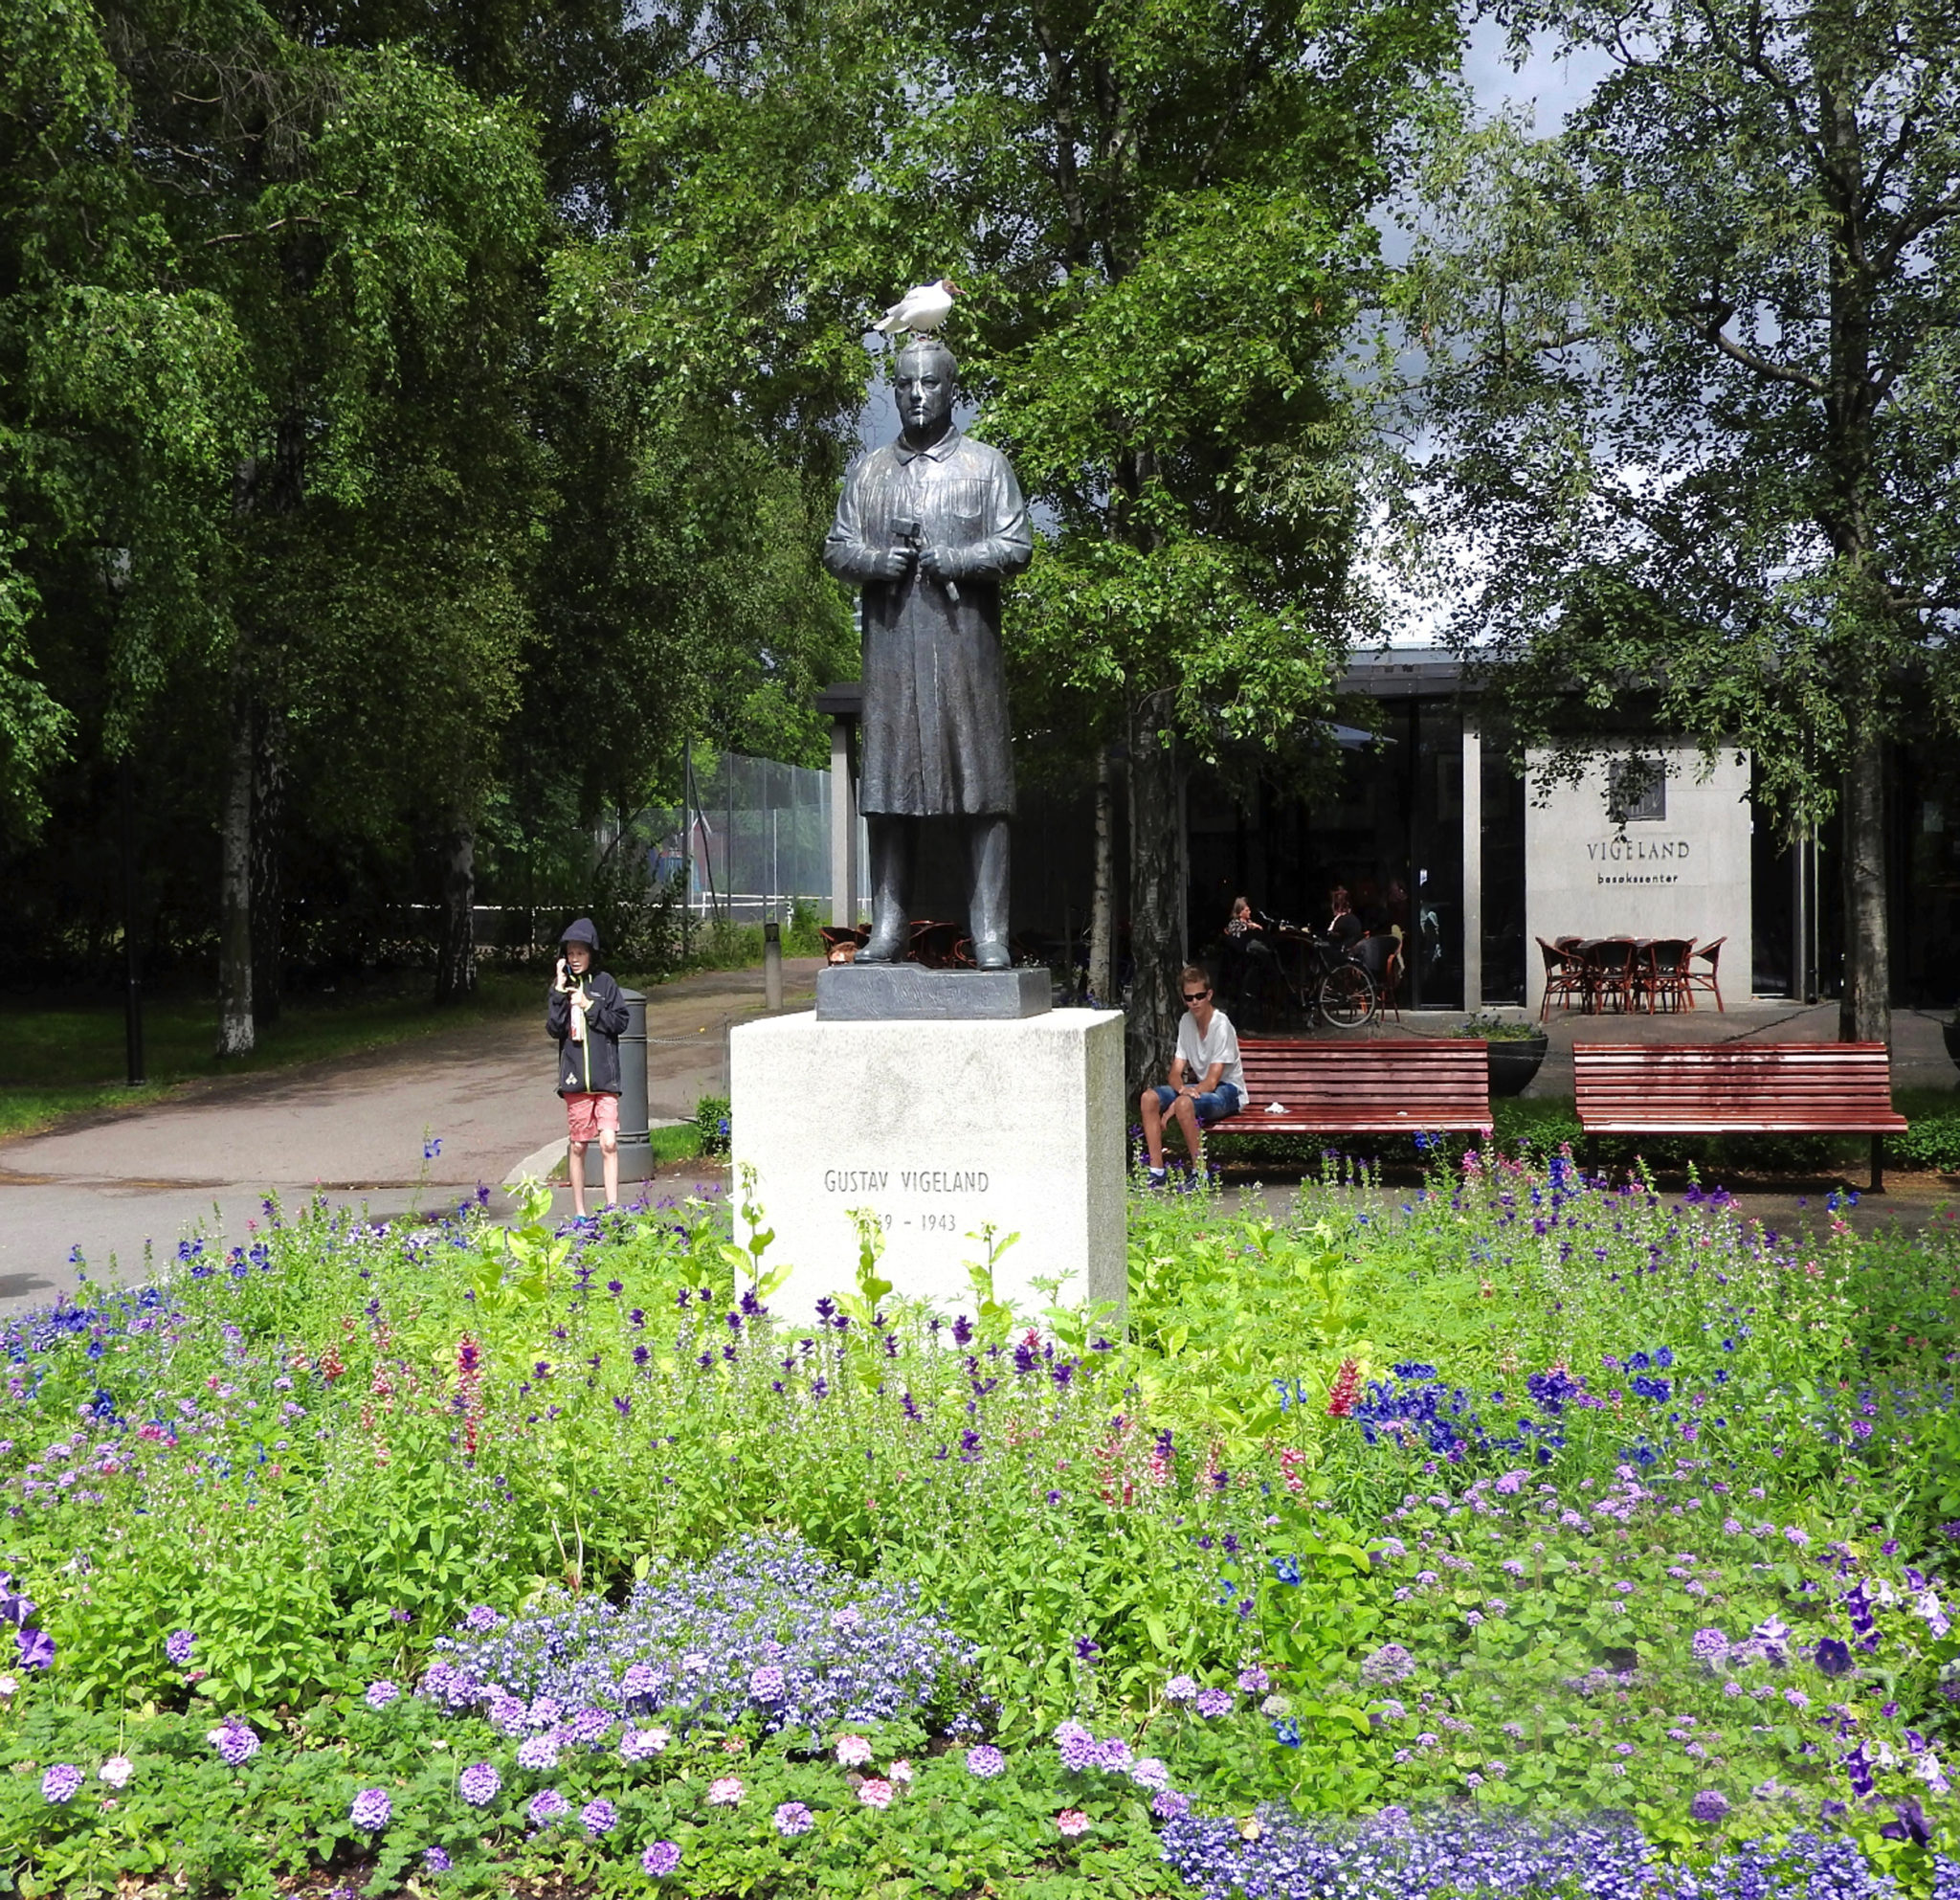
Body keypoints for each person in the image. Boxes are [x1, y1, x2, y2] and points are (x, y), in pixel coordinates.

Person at [821, 336, 1033, 968]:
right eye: (906, 384)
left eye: (930, 383)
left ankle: (989, 930)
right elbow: (836, 547)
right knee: (887, 794)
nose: (917, 395)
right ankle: (888, 926)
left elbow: (1017, 545)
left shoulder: (986, 467)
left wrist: (961, 559)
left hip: (965, 657)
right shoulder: (869, 472)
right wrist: (875, 562)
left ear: (951, 388)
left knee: (983, 793)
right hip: (891, 658)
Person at [546, 918, 629, 1218]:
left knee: (608, 1142)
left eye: (580, 953)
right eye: (570, 953)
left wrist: (589, 1005)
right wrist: (559, 991)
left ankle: (613, 1209)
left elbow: (620, 1022)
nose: (575, 959)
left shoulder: (606, 984)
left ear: (591, 953)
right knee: (578, 1146)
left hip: (606, 1080)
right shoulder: (561, 988)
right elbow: (554, 1029)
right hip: (575, 1081)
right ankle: (580, 1213)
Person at [1138, 965, 1245, 1187]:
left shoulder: (1221, 1025)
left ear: (1209, 995)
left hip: (1229, 1091)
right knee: (1149, 1098)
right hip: (1200, 1088)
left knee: (1185, 1104)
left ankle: (1201, 1174)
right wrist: (1181, 1091)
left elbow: (1214, 1080)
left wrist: (1178, 1102)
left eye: (1199, 996)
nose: (1194, 1002)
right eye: (1189, 997)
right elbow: (1175, 1072)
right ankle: (1157, 1171)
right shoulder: (1186, 1021)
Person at [1325, 886, 1365, 954]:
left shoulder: (1345, 920)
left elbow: (1332, 939)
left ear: (1336, 905)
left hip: (1341, 958)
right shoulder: (1350, 918)